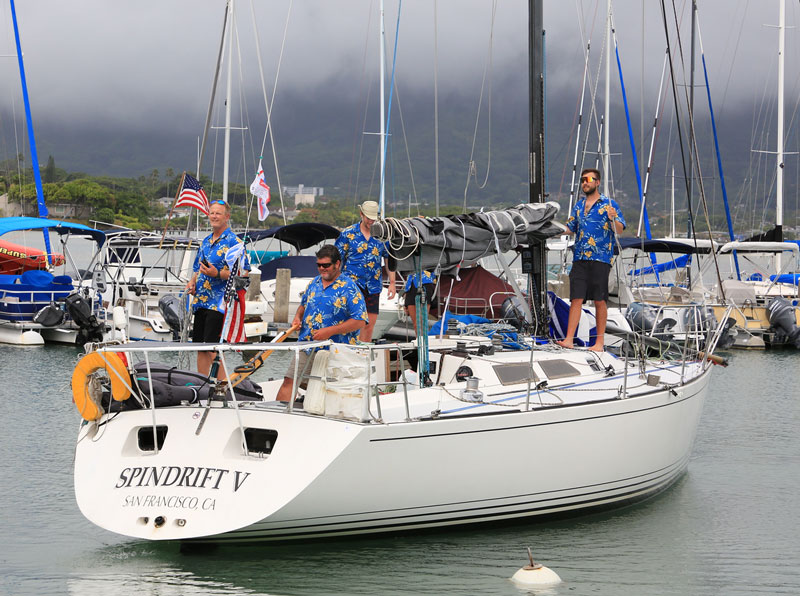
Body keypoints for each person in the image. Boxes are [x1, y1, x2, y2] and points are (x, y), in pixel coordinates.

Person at [276, 245, 369, 403]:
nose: (321, 269)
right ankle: (278, 417)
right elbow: (303, 305)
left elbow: (360, 320)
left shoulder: (350, 288)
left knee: (329, 389)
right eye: (319, 265)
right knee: (289, 381)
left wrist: (330, 331)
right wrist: (297, 317)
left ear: (337, 264)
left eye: (326, 265)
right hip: (307, 345)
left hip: (336, 350)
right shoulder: (314, 283)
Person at [558, 168, 625, 351]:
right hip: (579, 257)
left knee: (599, 300)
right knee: (576, 298)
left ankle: (599, 343)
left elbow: (619, 229)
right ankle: (569, 339)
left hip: (600, 258)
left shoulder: (609, 204)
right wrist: (551, 229)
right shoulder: (579, 205)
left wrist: (613, 219)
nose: (585, 183)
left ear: (597, 182)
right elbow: (570, 227)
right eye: (582, 180)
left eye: (588, 179)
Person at [185, 199, 250, 377]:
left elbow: (242, 274)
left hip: (220, 302)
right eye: (212, 213)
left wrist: (217, 273)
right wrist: (192, 282)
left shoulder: (234, 242)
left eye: (218, 213)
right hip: (201, 301)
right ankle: (202, 384)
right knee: (200, 348)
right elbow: (199, 268)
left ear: (226, 217)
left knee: (213, 348)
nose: (214, 216)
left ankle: (221, 388)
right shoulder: (206, 241)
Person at [335, 200, 396, 342]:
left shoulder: (382, 235)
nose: (371, 222)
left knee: (369, 323)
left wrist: (392, 283)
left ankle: (364, 353)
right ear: (361, 214)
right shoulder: (348, 233)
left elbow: (388, 259)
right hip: (351, 285)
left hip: (373, 285)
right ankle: (348, 350)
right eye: (368, 218)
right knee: (351, 323)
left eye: (374, 219)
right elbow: (336, 259)